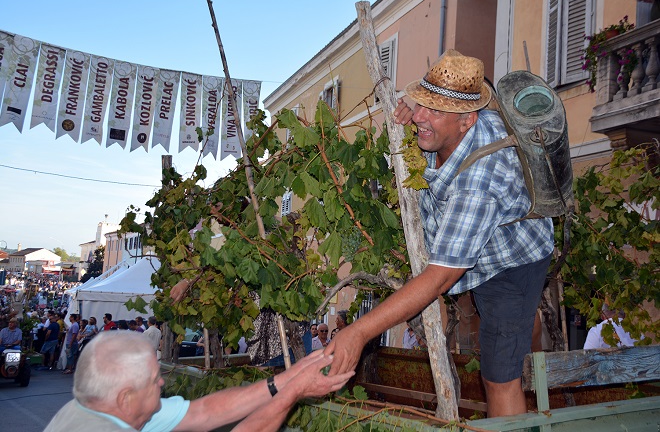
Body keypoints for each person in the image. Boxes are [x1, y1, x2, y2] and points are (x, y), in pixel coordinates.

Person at [326, 50, 554, 418]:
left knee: (498, 375)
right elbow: (428, 119)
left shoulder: (479, 183)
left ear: (468, 121)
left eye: (434, 111)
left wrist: (359, 332)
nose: (419, 117)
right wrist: (417, 113)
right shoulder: (453, 124)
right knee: (507, 333)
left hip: (512, 262)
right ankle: (526, 325)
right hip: (484, 242)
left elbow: (437, 279)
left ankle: (520, 331)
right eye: (421, 104)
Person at [44, 331, 354, 432]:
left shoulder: (100, 407)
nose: (163, 384)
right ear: (125, 397)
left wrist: (284, 381)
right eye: (155, 380)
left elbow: (203, 412)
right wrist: (294, 393)